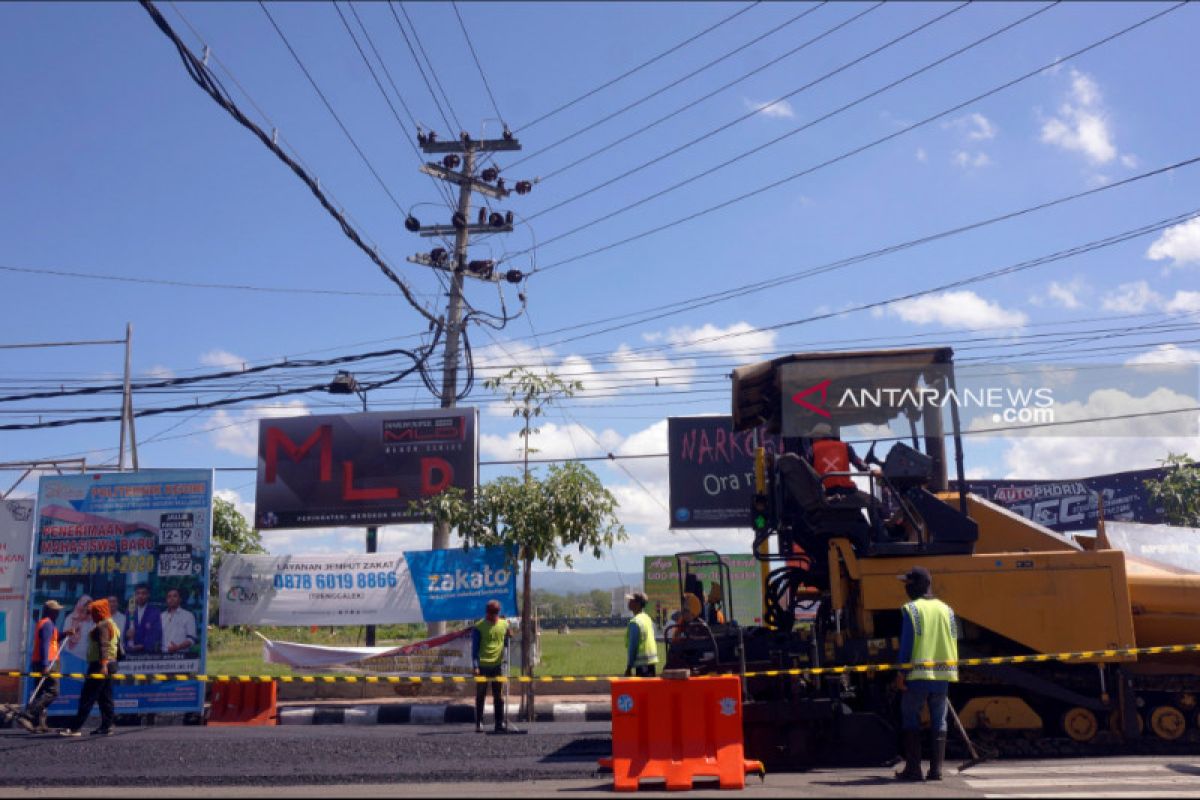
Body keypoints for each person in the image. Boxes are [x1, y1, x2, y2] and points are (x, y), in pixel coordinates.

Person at [894, 566, 959, 782]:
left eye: (907, 584)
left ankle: (914, 770)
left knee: (910, 717)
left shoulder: (912, 610)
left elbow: (907, 644)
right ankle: (936, 770)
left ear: (915, 586)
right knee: (939, 720)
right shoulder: (947, 609)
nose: (905, 588)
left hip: (918, 675)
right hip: (943, 675)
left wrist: (902, 672)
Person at [59, 599, 122, 737]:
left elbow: (104, 645)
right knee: (105, 697)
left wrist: (103, 664)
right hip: (111, 664)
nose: (90, 615)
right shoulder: (113, 624)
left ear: (99, 612)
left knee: (87, 696)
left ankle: (75, 728)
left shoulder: (102, 626)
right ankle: (107, 725)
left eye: (92, 612)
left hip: (100, 665)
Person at [8, 600, 64, 733]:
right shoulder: (47, 624)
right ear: (50, 611)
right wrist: (45, 665)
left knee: (41, 692)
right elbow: (45, 644)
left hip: (40, 661)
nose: (58, 612)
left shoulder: (46, 624)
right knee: (52, 691)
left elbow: (52, 641)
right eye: (56, 610)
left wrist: (65, 634)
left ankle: (39, 723)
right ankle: (28, 714)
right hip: (48, 662)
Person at [471, 599, 510, 734]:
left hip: (497, 666)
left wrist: (509, 634)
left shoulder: (504, 624)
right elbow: (474, 649)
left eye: (495, 613)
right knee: (480, 695)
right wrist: (475, 666)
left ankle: (499, 723)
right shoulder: (479, 626)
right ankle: (479, 723)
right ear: (487, 612)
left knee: (498, 696)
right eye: (491, 613)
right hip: (482, 666)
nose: (493, 616)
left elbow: (508, 637)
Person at [809, 422, 875, 498]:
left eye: (813, 436)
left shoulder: (812, 449)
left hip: (824, 494)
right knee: (875, 503)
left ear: (819, 436)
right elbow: (860, 464)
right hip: (847, 491)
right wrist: (870, 469)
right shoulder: (845, 446)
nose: (812, 438)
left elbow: (805, 470)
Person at [623, 591, 658, 677]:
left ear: (638, 604)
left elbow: (633, 646)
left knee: (643, 689)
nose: (629, 602)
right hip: (651, 661)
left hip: (642, 663)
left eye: (631, 600)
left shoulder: (635, 622)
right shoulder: (647, 618)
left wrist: (629, 667)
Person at [125, 583, 161, 655]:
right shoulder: (129, 611)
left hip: (147, 653)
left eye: (143, 593)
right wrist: (127, 635)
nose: (140, 596)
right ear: (135, 595)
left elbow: (156, 633)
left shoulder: (155, 612)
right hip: (130, 652)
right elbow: (125, 631)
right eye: (138, 593)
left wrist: (143, 646)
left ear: (148, 595)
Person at [161, 588, 198, 655]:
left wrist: (178, 647)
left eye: (175, 596)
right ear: (166, 600)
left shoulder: (188, 616)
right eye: (169, 596)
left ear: (180, 599)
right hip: (163, 656)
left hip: (181, 657)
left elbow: (191, 639)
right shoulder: (161, 616)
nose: (171, 599)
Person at [60, 594, 94, 664]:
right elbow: (68, 639)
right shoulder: (70, 619)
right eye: (86, 603)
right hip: (71, 658)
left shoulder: (92, 621)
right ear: (79, 603)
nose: (88, 606)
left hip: (87, 660)